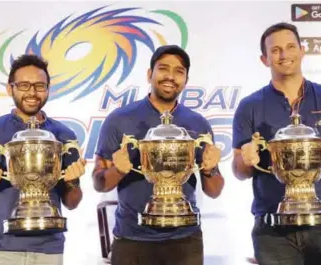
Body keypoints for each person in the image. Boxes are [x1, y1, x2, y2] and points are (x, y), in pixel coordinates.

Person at [232, 22, 321, 265]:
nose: (284, 55)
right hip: (272, 231)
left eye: (291, 46)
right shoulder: (249, 106)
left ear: (302, 50)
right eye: (276, 50)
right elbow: (239, 172)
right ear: (264, 59)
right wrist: (246, 160)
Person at [92, 45, 225, 265]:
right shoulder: (119, 120)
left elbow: (214, 191)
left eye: (179, 71)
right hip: (132, 238)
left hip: (185, 240)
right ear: (149, 74)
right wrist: (118, 170)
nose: (170, 77)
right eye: (163, 68)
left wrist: (210, 169)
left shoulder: (198, 124)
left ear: (185, 79)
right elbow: (99, 183)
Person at [0, 54, 86, 265]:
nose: (32, 92)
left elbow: (71, 203)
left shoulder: (64, 136)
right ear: (10, 89)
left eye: (39, 86)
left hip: (49, 249)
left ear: (48, 89)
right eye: (24, 85)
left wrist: (73, 182)